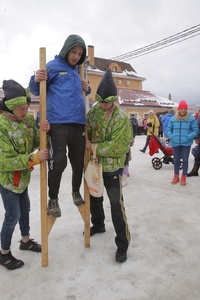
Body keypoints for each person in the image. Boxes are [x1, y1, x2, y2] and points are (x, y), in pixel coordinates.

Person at [0, 79, 49, 270]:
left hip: (21, 176)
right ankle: (3, 253)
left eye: (26, 107)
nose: (25, 111)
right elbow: (5, 161)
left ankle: (25, 240)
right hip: (6, 178)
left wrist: (42, 132)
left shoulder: (26, 121)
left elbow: (32, 144)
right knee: (12, 215)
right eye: (21, 108)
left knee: (25, 208)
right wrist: (34, 158)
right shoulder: (0, 128)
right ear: (12, 107)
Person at [29, 34, 90, 217]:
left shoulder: (78, 71)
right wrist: (36, 79)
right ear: (66, 49)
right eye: (73, 51)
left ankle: (75, 191)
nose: (76, 56)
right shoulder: (53, 66)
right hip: (57, 122)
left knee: (79, 162)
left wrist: (87, 87)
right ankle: (53, 198)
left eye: (79, 54)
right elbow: (34, 89)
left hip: (78, 122)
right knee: (59, 161)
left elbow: (83, 93)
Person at [85, 69, 132, 263]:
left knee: (115, 204)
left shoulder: (121, 118)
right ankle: (98, 224)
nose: (102, 105)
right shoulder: (95, 110)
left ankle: (122, 244)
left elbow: (119, 146)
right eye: (100, 101)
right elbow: (86, 125)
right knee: (94, 196)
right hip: (95, 165)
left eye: (106, 102)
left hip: (112, 166)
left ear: (114, 100)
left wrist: (93, 146)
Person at [166, 100, 198, 186]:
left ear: (187, 110)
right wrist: (171, 136)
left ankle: (184, 176)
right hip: (175, 143)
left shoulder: (191, 118)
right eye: (181, 109)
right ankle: (176, 176)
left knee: (185, 161)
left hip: (186, 143)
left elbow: (195, 130)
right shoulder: (173, 119)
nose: (183, 110)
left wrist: (189, 136)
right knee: (176, 160)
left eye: (185, 109)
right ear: (178, 109)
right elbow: (168, 130)